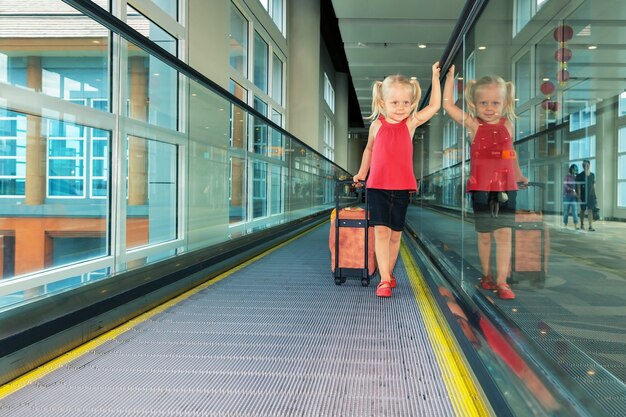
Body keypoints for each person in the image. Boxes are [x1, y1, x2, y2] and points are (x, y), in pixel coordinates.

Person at [353, 62, 441, 298]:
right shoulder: (376, 126)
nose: (401, 108)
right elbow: (369, 151)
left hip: (401, 188)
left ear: (411, 104)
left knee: (395, 235)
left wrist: (435, 77)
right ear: (382, 103)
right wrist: (362, 173)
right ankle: (383, 279)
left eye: (406, 103)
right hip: (377, 187)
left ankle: (389, 273)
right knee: (381, 232)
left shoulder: (410, 123)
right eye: (395, 102)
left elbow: (434, 106)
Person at [443, 65, 528, 300]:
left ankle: (502, 281)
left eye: (495, 103)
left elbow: (511, 154)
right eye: (484, 104)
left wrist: (519, 176)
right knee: (484, 234)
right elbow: (448, 106)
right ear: (474, 105)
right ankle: (488, 275)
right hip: (481, 186)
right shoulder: (474, 125)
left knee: (504, 234)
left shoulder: (508, 126)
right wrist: (450, 79)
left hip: (506, 187)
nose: (489, 109)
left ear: (505, 104)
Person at [576, 159, 597, 231]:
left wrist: (595, 196)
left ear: (589, 165)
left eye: (587, 165)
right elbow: (578, 187)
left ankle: (590, 226)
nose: (586, 166)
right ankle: (582, 225)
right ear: (583, 166)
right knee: (582, 210)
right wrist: (579, 196)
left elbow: (593, 186)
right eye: (584, 165)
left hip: (591, 195)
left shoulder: (592, 175)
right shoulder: (580, 175)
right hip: (583, 196)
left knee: (590, 210)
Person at [562, 164, 580, 229]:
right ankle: (565, 225)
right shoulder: (567, 176)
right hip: (566, 196)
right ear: (571, 169)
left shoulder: (576, 178)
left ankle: (576, 225)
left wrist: (578, 195)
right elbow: (565, 185)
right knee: (566, 211)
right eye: (573, 169)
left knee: (574, 211)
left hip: (573, 197)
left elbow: (577, 187)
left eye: (575, 169)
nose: (574, 170)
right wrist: (571, 189)